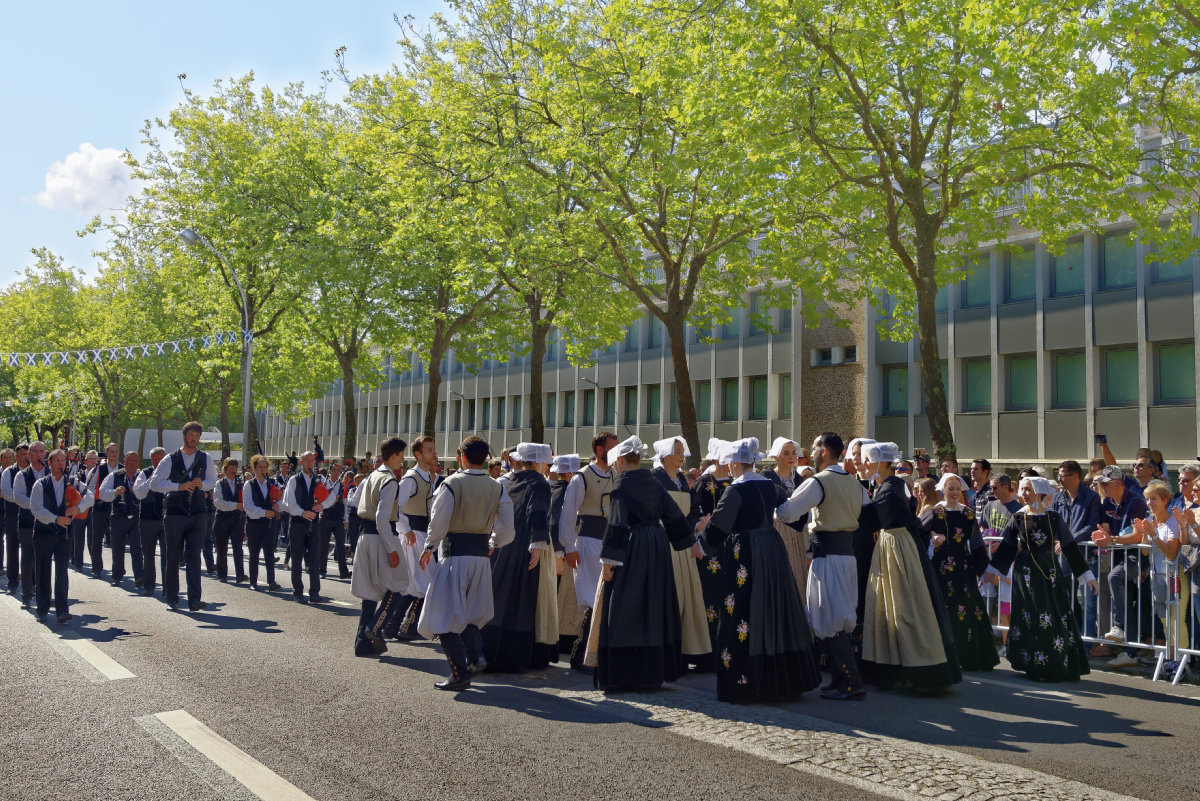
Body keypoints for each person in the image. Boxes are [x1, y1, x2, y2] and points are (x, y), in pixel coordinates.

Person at [703, 437, 820, 702]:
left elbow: (719, 525)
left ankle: (747, 682)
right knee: (777, 604)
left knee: (744, 608)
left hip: (746, 551)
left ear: (734, 463)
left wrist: (701, 548)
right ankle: (785, 680)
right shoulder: (770, 486)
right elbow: (795, 513)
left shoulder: (734, 490)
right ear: (753, 461)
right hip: (772, 548)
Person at [593, 436, 695, 692]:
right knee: (654, 603)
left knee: (626, 605)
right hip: (657, 546)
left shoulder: (621, 486)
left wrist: (608, 561)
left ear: (618, 461)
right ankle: (653, 671)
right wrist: (688, 542)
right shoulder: (654, 482)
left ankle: (626, 673)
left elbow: (616, 524)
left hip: (632, 546)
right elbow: (673, 514)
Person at [859, 442, 961, 691]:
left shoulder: (890, 488)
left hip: (896, 545)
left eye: (867, 460)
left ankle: (916, 668)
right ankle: (898, 667)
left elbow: (882, 518)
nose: (864, 465)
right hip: (894, 544)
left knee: (902, 607)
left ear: (880, 462)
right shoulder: (891, 485)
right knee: (894, 606)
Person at [417, 436, 515, 691]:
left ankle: (459, 674)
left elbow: (439, 519)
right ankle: (477, 655)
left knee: (444, 615)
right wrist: (493, 542)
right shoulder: (497, 486)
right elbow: (507, 526)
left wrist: (429, 546)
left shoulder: (451, 483)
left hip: (455, 555)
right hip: (481, 557)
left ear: (462, 456)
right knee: (469, 612)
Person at [777, 432, 870, 700]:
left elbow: (787, 512)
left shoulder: (819, 482)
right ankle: (841, 678)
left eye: (815, 447)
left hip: (828, 556)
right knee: (835, 617)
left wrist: (773, 506)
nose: (812, 451)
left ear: (825, 451)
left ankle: (852, 682)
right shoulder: (854, 483)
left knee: (827, 618)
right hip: (847, 555)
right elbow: (868, 507)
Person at [990, 477, 1098, 682]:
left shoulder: (1053, 517)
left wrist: (1086, 575)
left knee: (1051, 614)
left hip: (1049, 571)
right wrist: (992, 570)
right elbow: (1007, 547)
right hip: (1026, 573)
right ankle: (1035, 664)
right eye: (1021, 490)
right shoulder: (1018, 517)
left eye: (1027, 490)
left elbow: (1069, 546)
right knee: (1033, 614)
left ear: (1039, 491)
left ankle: (1055, 663)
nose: (1023, 494)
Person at [481, 442, 553, 671]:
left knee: (499, 594)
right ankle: (512, 657)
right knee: (520, 598)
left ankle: (488, 650)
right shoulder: (539, 482)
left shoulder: (511, 479)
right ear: (540, 461)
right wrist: (538, 544)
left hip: (503, 542)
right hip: (523, 544)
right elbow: (537, 512)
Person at [919, 473, 999, 671]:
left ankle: (968, 655)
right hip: (940, 567)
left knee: (964, 608)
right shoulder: (935, 512)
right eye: (950, 489)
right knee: (943, 608)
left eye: (957, 489)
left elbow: (977, 544)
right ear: (942, 490)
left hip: (963, 568)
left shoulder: (968, 514)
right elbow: (918, 532)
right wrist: (932, 536)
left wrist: (984, 569)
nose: (954, 493)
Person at [558, 431, 618, 674]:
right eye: (613, 447)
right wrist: (569, 547)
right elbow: (568, 514)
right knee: (594, 598)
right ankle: (581, 654)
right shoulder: (581, 477)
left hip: (609, 542)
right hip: (588, 541)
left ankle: (591, 654)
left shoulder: (616, 474)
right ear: (600, 450)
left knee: (605, 599)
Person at [650, 436, 711, 670]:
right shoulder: (655, 477)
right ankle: (668, 652)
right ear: (665, 454)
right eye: (677, 451)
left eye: (682, 451)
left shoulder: (680, 480)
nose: (681, 455)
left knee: (688, 595)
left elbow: (692, 510)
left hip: (683, 543)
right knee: (671, 593)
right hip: (665, 543)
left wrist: (697, 524)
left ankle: (688, 650)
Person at [351, 437, 412, 658]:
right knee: (398, 584)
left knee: (369, 592)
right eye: (402, 455)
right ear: (394, 455)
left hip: (364, 536)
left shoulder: (371, 476)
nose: (403, 460)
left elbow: (356, 503)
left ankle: (362, 644)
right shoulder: (389, 480)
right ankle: (374, 628)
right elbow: (382, 518)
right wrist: (392, 549)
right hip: (380, 536)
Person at [149, 422, 218, 612]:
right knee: (172, 556)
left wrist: (202, 484)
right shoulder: (170, 459)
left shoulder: (205, 458)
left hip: (198, 513)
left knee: (194, 557)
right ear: (184, 435)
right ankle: (172, 597)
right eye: (191, 434)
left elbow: (213, 480)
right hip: (175, 513)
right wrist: (177, 486)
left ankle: (194, 600)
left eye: (197, 435)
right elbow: (154, 483)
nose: (194, 438)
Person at [1090, 464, 1150, 668]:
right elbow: (1105, 530)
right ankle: (1130, 652)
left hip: (1136, 557)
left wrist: (1111, 539)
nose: (1103, 488)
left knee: (1114, 577)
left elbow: (1137, 536)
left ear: (1118, 483)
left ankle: (1118, 626)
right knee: (1128, 599)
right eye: (1101, 484)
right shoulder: (1107, 501)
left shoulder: (1136, 502)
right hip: (1118, 555)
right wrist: (1102, 536)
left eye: (1106, 484)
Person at [29, 449, 93, 623]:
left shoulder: (72, 482)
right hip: (43, 533)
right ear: (49, 463)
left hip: (63, 535)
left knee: (62, 573)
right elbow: (36, 509)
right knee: (43, 571)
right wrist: (56, 519)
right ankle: (42, 609)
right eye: (56, 460)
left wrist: (78, 508)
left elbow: (91, 497)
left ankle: (62, 610)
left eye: (63, 460)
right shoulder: (40, 484)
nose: (60, 464)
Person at [383, 437, 435, 641]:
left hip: (423, 535)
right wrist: (406, 530)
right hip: (415, 536)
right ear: (418, 454)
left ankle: (399, 626)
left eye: (433, 449)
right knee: (421, 584)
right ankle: (402, 626)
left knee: (418, 584)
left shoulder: (427, 477)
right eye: (429, 450)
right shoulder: (411, 478)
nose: (433, 453)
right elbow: (395, 508)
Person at [1050, 460, 1106, 646]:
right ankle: (1068, 638)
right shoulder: (1058, 498)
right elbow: (1054, 523)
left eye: (1062, 475)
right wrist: (1058, 540)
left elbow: (1092, 525)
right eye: (1059, 475)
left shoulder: (1091, 497)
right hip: (1063, 556)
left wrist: (1068, 541)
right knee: (1065, 598)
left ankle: (1086, 643)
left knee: (1089, 602)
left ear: (1075, 477)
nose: (1059, 479)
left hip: (1086, 556)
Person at [690, 438, 731, 657]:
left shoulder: (735, 480)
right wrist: (699, 523)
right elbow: (692, 509)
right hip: (710, 546)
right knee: (711, 595)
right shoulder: (704, 482)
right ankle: (708, 651)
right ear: (716, 458)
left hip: (732, 546)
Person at [281, 451, 336, 604]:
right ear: (301, 462)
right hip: (298, 524)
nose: (310, 464)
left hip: (314, 525)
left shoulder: (321, 479)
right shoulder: (294, 480)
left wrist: (321, 505)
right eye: (307, 461)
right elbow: (287, 503)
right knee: (297, 560)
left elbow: (332, 496)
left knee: (314, 559)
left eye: (313, 461)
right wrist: (302, 512)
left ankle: (314, 592)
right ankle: (298, 592)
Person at [762, 436, 812, 601]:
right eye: (786, 453)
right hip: (774, 534)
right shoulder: (767, 477)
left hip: (796, 535)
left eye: (793, 453)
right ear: (777, 456)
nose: (791, 457)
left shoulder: (799, 479)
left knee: (796, 577)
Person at [97, 450, 145, 589]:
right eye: (129, 461)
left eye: (135, 461)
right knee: (118, 548)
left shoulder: (141, 476)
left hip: (136, 517)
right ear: (124, 462)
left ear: (138, 462)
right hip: (118, 517)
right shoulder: (114, 475)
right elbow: (101, 493)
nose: (132, 463)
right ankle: (117, 576)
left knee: (137, 548)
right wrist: (114, 492)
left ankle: (139, 576)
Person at [550, 454, 583, 656]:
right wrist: (560, 553)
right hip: (563, 549)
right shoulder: (564, 491)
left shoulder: (551, 487)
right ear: (570, 472)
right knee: (566, 598)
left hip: (558, 548)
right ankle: (563, 639)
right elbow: (556, 521)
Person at [12, 441, 50, 610]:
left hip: (49, 524)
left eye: (41, 451)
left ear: (45, 453)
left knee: (45, 561)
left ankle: (45, 596)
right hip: (27, 523)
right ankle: (26, 596)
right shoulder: (22, 475)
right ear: (29, 455)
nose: (38, 454)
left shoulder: (52, 473)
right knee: (27, 560)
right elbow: (19, 498)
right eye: (34, 451)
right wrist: (38, 505)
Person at [241, 454, 283, 592]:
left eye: (265, 467)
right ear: (254, 468)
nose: (263, 469)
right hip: (254, 523)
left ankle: (271, 581)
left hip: (269, 524)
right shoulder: (249, 484)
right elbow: (247, 505)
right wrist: (263, 512)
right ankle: (253, 582)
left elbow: (280, 499)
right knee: (254, 553)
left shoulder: (272, 483)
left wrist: (278, 506)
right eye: (260, 467)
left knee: (269, 553)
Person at [132, 448, 168, 598]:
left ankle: (168, 588)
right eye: (154, 459)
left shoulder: (171, 472)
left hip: (167, 519)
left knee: (168, 555)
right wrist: (150, 479)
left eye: (160, 459)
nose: (158, 462)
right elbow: (138, 492)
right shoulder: (145, 473)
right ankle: (149, 586)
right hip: (148, 519)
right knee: (148, 554)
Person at [86, 442, 121, 578]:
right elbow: (91, 486)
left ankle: (117, 569)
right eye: (111, 451)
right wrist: (99, 496)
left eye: (116, 451)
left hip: (118, 509)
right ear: (106, 453)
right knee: (97, 538)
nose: (114, 453)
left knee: (117, 540)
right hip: (100, 507)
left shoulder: (123, 469)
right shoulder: (98, 469)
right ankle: (97, 567)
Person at [212, 457, 246, 584]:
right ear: (225, 469)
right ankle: (222, 574)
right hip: (222, 519)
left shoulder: (241, 483)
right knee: (222, 549)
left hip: (237, 519)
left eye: (235, 466)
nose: (233, 469)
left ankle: (240, 574)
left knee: (238, 547)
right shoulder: (219, 484)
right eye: (231, 466)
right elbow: (218, 502)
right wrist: (235, 505)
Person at [2, 444, 29, 593]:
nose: (25, 457)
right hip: (13, 516)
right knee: (12, 548)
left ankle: (30, 582)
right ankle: (12, 582)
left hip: (30, 516)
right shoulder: (8, 472)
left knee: (30, 550)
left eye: (27, 453)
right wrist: (26, 499)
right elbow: (6, 493)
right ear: (16, 457)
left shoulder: (34, 472)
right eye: (22, 454)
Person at [318, 462, 350, 580]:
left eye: (338, 471)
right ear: (330, 471)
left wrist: (345, 519)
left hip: (338, 519)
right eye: (334, 470)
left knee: (340, 545)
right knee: (323, 544)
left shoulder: (342, 486)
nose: (336, 472)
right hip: (326, 517)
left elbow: (345, 503)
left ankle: (343, 571)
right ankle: (321, 570)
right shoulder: (324, 484)